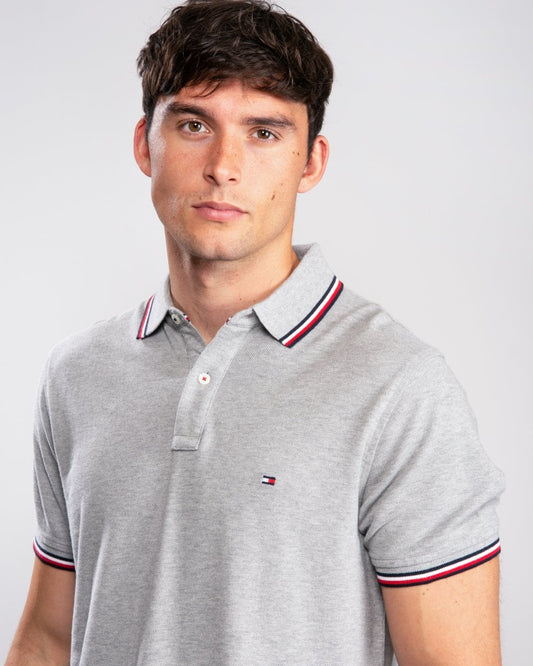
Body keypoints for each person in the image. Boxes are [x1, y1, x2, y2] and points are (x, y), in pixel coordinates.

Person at [7, 1, 504, 664]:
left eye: (264, 132)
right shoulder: (77, 374)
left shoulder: (398, 386)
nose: (224, 165)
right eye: (194, 125)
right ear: (144, 144)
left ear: (311, 162)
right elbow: (49, 638)